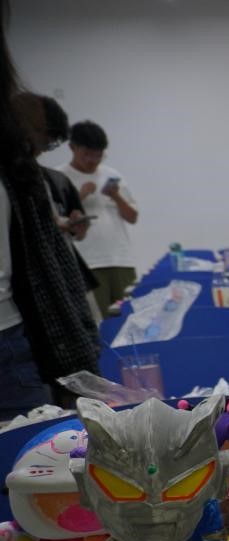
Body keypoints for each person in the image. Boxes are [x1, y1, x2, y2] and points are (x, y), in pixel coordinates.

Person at [1, 16, 99, 419]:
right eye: (37, 142)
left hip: (19, 333)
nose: (37, 152)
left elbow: (53, 266)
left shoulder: (34, 180)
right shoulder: (27, 177)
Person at [12, 92, 101, 321]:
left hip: (69, 277)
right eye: (43, 142)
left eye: (49, 144)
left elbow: (77, 231)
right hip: (28, 297)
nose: (41, 150)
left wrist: (77, 227)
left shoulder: (56, 181)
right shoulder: (11, 184)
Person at [57, 121, 139, 316]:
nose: (93, 160)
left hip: (121, 259)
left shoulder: (112, 175)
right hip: (87, 263)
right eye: (87, 154)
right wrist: (80, 196)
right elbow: (55, 220)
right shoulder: (59, 177)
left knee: (131, 317)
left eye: (98, 155)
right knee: (98, 321)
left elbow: (133, 217)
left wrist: (116, 196)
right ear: (72, 148)